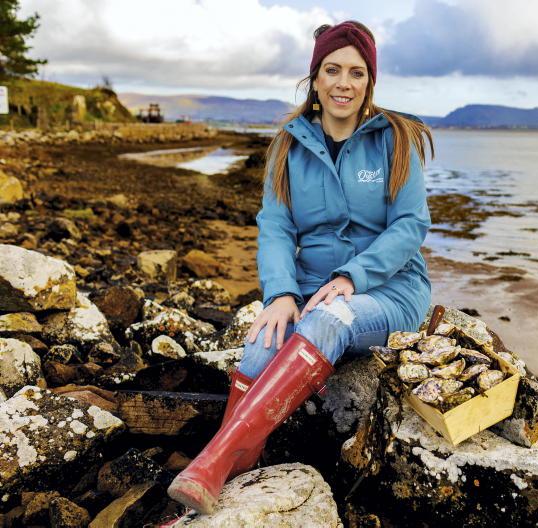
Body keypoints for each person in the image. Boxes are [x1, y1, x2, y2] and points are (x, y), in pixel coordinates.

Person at [166, 20, 434, 515]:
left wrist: (353, 276)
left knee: (331, 319)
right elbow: (274, 226)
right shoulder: (288, 145)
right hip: (309, 289)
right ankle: (236, 471)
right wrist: (281, 293)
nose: (343, 83)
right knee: (259, 346)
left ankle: (212, 463)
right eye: (332, 70)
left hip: (388, 292)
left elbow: (411, 224)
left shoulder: (396, 139)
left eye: (356, 72)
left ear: (369, 81)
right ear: (315, 77)